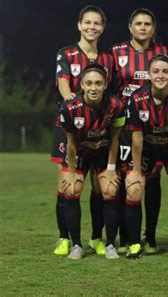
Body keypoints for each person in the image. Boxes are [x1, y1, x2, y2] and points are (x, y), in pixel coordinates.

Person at [51, 5, 113, 257]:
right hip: (69, 127)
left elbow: (112, 92)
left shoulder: (108, 58)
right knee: (68, 184)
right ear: (79, 25)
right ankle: (64, 237)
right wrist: (76, 111)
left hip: (100, 130)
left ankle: (96, 237)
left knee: (100, 187)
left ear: (103, 28)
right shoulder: (66, 53)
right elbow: (64, 86)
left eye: (97, 23)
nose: (92, 27)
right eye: (87, 22)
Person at [110, 8, 168, 253]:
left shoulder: (162, 53)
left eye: (147, 24)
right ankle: (126, 238)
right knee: (128, 180)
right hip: (125, 125)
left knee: (153, 180)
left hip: (153, 126)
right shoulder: (117, 52)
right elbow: (110, 86)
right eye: (138, 23)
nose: (142, 27)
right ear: (130, 27)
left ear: (153, 28)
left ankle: (151, 237)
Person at [124, 54, 168, 259]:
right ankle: (135, 244)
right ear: (148, 75)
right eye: (156, 71)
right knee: (134, 189)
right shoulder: (136, 98)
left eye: (165, 71)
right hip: (146, 151)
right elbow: (136, 137)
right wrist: (136, 171)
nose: (160, 75)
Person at [59, 63, 125, 260]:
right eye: (89, 83)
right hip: (79, 152)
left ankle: (109, 243)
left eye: (98, 83)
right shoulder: (70, 107)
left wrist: (112, 169)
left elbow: (115, 139)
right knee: (71, 189)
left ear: (105, 85)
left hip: (104, 152)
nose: (94, 88)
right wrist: (71, 172)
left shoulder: (116, 106)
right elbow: (70, 143)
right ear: (82, 85)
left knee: (110, 189)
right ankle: (76, 245)